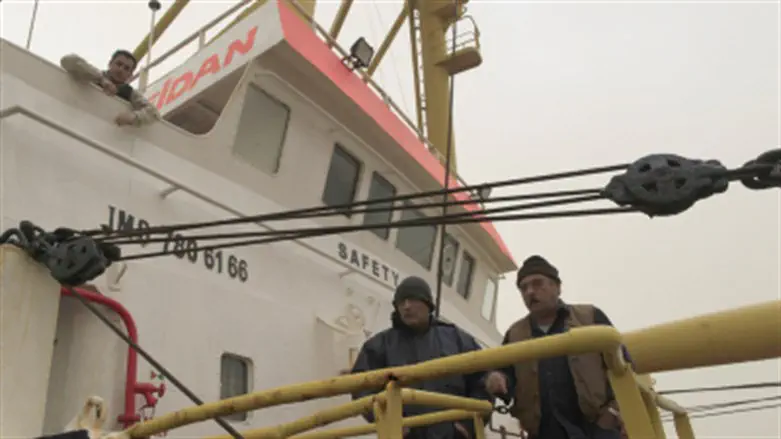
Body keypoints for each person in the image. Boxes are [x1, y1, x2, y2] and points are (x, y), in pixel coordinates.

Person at [483, 255, 631, 439]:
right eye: (523, 288)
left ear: (557, 287)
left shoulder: (590, 316)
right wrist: (497, 378)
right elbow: (505, 375)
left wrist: (615, 413)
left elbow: (624, 365)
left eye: (537, 284)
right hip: (544, 433)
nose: (530, 292)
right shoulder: (514, 334)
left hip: (598, 430)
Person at [351, 276, 495, 439]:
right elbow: (361, 388)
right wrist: (388, 420)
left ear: (428, 304)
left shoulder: (457, 340)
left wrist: (465, 428)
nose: (406, 307)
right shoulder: (378, 346)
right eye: (401, 302)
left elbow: (483, 381)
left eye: (412, 299)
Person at [60, 50, 160, 127]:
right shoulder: (90, 73)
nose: (121, 70)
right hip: (74, 118)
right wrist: (100, 79)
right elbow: (67, 60)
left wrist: (134, 117)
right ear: (110, 63)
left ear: (130, 74)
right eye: (119, 64)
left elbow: (154, 113)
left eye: (126, 68)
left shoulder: (129, 93)